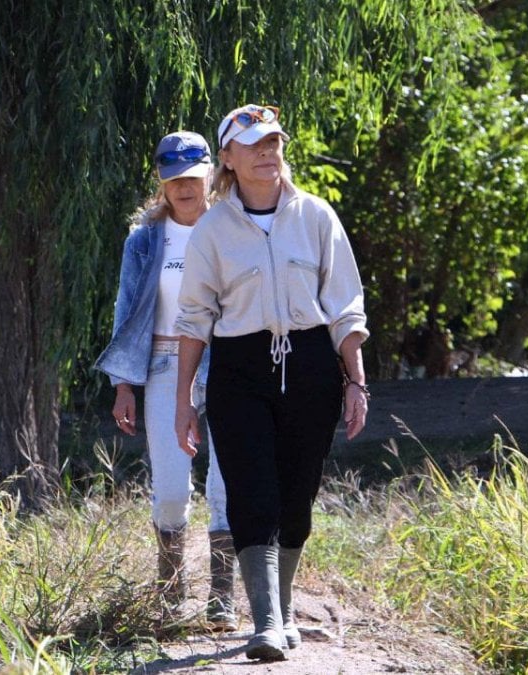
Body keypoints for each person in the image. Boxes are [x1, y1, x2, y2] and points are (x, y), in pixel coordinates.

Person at [173, 104, 370, 661]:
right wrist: (186, 399)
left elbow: (345, 309)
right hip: (239, 367)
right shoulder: (212, 229)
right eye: (254, 144)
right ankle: (264, 624)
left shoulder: (316, 217)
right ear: (229, 159)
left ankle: (283, 612)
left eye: (275, 142)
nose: (268, 152)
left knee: (297, 495)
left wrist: (356, 383)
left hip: (310, 364)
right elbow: (193, 320)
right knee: (250, 488)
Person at [93, 130, 237, 630]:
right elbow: (127, 311)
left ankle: (222, 597)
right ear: (161, 180)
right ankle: (171, 594)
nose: (184, 187)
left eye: (192, 177)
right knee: (172, 488)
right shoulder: (144, 239)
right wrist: (122, 385)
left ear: (208, 177)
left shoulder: (229, 227)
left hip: (226, 365)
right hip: (162, 362)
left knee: (226, 483)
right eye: (173, 178)